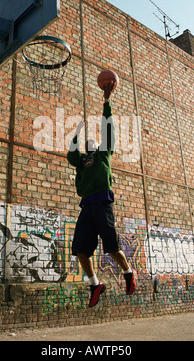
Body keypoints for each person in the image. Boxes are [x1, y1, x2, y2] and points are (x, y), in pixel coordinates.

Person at [67, 81, 136, 308]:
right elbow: (71, 155)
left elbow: (108, 130)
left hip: (103, 204)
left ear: (98, 145)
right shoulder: (82, 162)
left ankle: (128, 272)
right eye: (87, 143)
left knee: (112, 248)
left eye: (92, 141)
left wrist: (107, 103)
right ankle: (95, 284)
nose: (90, 143)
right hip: (87, 206)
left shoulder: (104, 154)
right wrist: (76, 134)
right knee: (80, 251)